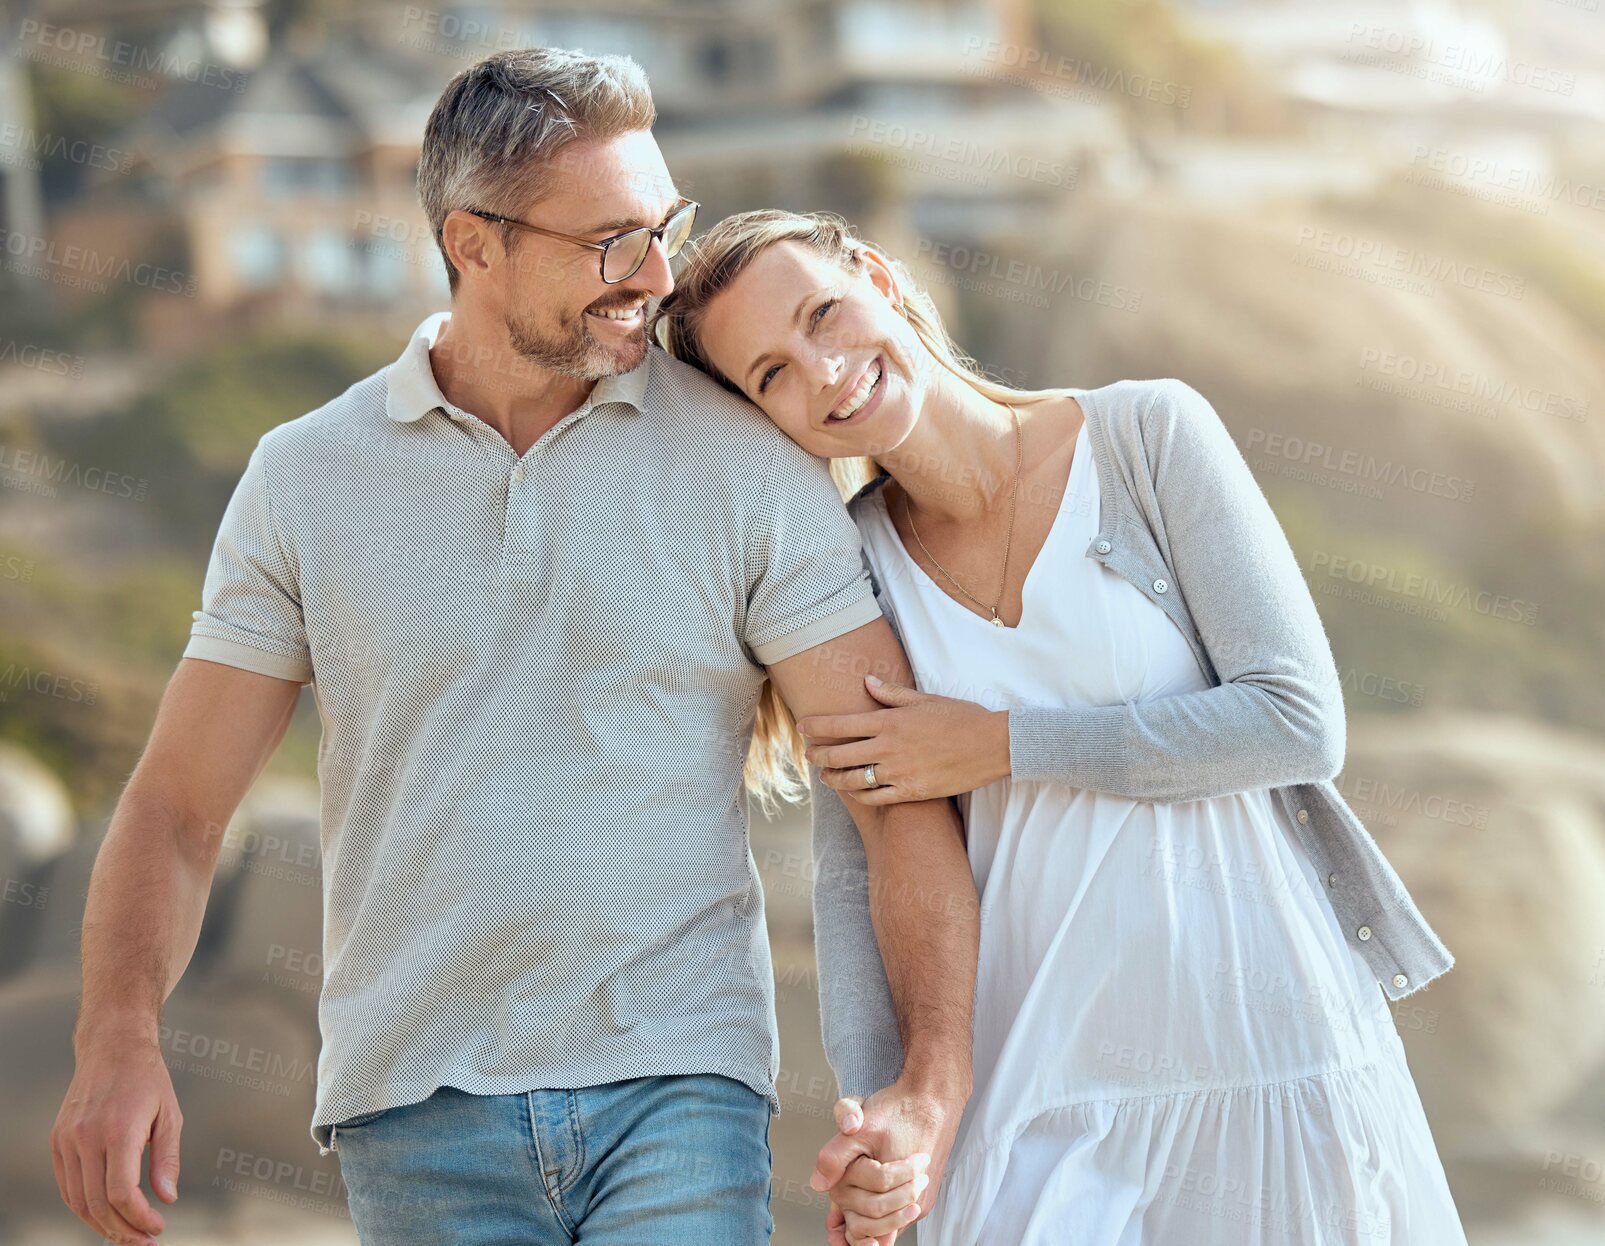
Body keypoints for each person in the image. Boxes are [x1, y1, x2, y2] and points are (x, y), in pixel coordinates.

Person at [49, 53, 974, 1246]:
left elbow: (893, 789)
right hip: (416, 1114)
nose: (654, 275)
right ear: (472, 243)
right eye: (608, 244)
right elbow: (177, 807)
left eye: (663, 228)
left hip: (678, 1084)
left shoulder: (746, 463)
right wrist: (116, 1038)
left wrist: (930, 1087)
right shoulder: (306, 479)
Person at [651, 208, 1470, 1245]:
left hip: (1266, 1050)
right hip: (1030, 1078)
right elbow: (863, 866)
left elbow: (1296, 719)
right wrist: (889, 1111)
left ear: (876, 277)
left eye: (824, 314)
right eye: (772, 375)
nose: (823, 372)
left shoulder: (1144, 438)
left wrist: (1003, 743)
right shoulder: (849, 568)